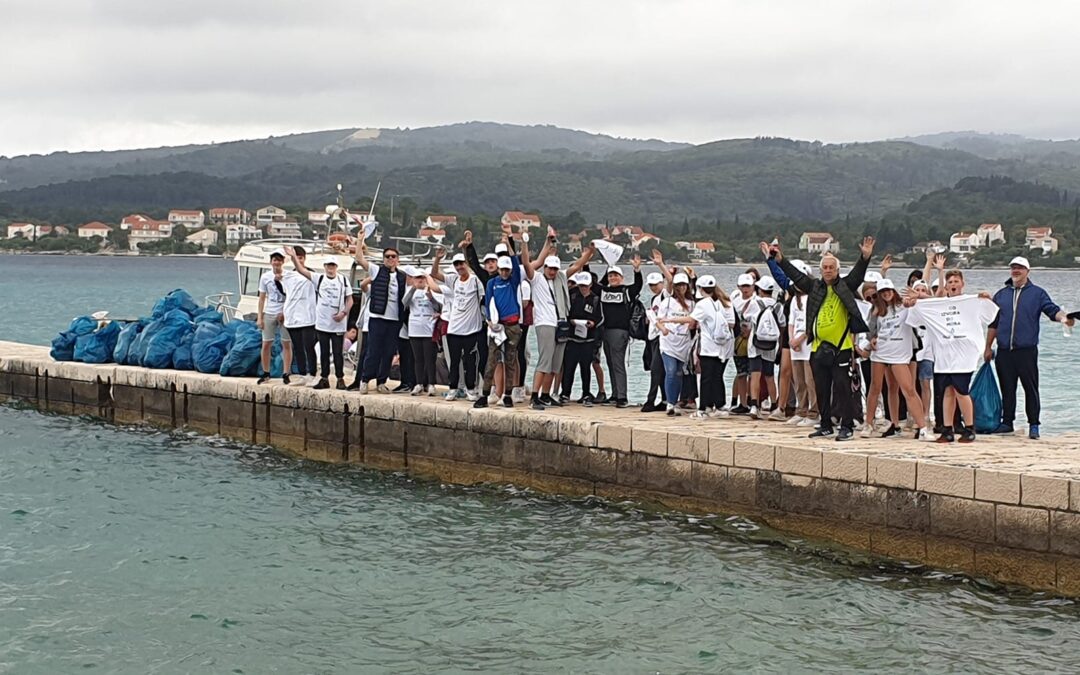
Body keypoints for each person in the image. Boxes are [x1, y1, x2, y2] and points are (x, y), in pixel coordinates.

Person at [774, 236, 876, 442]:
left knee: (842, 388)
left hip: (842, 347)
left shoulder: (845, 286)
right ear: (821, 271)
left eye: (832, 267)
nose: (828, 270)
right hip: (818, 347)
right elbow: (796, 276)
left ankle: (846, 425)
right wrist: (780, 260)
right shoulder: (816, 287)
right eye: (825, 267)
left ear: (837, 270)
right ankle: (826, 424)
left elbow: (857, 275)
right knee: (821, 388)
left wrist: (865, 257)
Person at [984, 256, 1074, 439]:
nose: (1016, 271)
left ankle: (1034, 424)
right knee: (1007, 388)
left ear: (1027, 271)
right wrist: (987, 347)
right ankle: (1007, 422)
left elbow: (1052, 310)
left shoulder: (1037, 293)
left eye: (1020, 268)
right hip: (1004, 351)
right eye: (1013, 268)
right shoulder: (1001, 295)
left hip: (1026, 351)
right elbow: (993, 324)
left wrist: (1064, 318)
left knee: (1030, 388)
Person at [904, 272, 998, 443]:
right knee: (947, 391)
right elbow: (917, 314)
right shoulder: (938, 304)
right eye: (950, 282)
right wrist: (913, 301)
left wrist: (986, 298)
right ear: (946, 286)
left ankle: (969, 428)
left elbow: (991, 314)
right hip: (943, 356)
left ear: (963, 284)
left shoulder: (971, 301)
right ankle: (948, 429)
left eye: (956, 281)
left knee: (961, 391)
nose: (953, 284)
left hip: (964, 355)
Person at [523, 230, 588, 411]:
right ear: (544, 267)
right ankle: (534, 396)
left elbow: (576, 267)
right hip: (545, 323)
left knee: (555, 363)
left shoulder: (560, 278)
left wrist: (589, 254)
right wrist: (524, 243)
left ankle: (546, 394)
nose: (552, 271)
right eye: (549, 268)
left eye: (554, 268)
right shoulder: (536, 279)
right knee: (545, 360)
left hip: (560, 322)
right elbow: (527, 264)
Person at [863, 279, 933, 440]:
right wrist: (872, 337)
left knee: (908, 389)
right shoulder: (877, 310)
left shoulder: (905, 306)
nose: (886, 293)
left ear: (893, 291)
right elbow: (870, 331)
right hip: (880, 352)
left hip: (900, 355)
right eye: (882, 292)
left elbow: (930, 306)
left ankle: (922, 427)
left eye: (888, 290)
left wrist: (918, 298)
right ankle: (872, 423)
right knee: (877, 388)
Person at [662, 275, 734, 419]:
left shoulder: (704, 304)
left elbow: (691, 319)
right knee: (717, 377)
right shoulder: (722, 302)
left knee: (706, 378)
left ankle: (703, 409)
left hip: (709, 346)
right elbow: (730, 323)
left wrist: (670, 319)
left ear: (700, 289)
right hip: (723, 347)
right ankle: (720, 406)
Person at [286, 251, 354, 390]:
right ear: (325, 266)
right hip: (322, 323)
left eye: (333, 265)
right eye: (329, 265)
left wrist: (344, 313)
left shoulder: (343, 280)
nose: (331, 268)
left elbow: (350, 299)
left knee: (337, 353)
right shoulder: (319, 278)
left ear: (336, 267)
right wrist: (293, 257)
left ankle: (340, 379)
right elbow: (301, 270)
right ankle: (324, 378)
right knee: (323, 352)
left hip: (338, 324)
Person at [430, 248, 485, 401]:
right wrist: (437, 259)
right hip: (454, 329)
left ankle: (470, 389)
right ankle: (453, 388)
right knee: (454, 362)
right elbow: (435, 275)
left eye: (461, 264)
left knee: (470, 361)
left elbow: (483, 299)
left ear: (466, 264)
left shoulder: (475, 281)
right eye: (456, 265)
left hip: (471, 330)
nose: (459, 267)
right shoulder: (453, 280)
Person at [353, 244, 406, 394]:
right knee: (373, 351)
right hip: (377, 317)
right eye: (387, 256)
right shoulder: (376, 271)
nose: (390, 259)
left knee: (388, 352)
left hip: (394, 319)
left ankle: (382, 381)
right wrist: (360, 240)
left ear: (398, 260)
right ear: (383, 259)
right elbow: (359, 258)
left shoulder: (402, 276)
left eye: (393, 256)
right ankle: (365, 379)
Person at [474, 253, 524, 409]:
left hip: (512, 325)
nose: (504, 273)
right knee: (491, 360)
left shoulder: (513, 281)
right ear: (498, 269)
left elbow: (517, 266)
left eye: (507, 270)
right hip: (496, 326)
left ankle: (507, 395)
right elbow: (489, 302)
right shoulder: (492, 283)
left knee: (510, 361)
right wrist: (489, 319)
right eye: (502, 270)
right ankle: (485, 394)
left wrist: (512, 247)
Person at [596, 257, 643, 408]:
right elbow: (595, 286)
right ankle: (615, 394)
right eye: (610, 275)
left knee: (618, 364)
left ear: (622, 277)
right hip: (606, 331)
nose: (613, 278)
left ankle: (622, 397)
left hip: (620, 332)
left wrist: (636, 270)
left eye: (616, 275)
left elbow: (638, 286)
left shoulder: (626, 291)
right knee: (610, 363)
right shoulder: (605, 291)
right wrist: (607, 267)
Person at [654, 272, 696, 416]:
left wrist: (692, 326)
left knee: (679, 373)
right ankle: (670, 403)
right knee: (670, 371)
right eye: (678, 285)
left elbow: (693, 321)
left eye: (684, 285)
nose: (681, 288)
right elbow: (658, 320)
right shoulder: (667, 302)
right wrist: (664, 329)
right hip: (668, 342)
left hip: (684, 342)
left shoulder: (692, 304)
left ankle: (676, 401)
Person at [560, 271, 604, 404]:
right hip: (573, 338)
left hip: (588, 339)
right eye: (580, 286)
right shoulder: (573, 296)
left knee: (586, 367)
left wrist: (593, 323)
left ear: (590, 285)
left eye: (585, 285)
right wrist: (571, 321)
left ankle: (586, 393)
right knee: (569, 367)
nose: (583, 288)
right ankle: (565, 393)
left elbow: (600, 317)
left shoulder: (596, 299)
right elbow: (566, 312)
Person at [279, 245, 318, 385]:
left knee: (309, 346)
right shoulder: (288, 276)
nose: (298, 261)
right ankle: (302, 374)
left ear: (304, 258)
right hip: (293, 318)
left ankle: (312, 373)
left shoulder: (311, 274)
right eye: (297, 258)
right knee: (297, 347)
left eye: (301, 258)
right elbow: (284, 293)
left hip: (309, 318)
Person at [747, 276, 784, 419]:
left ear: (760, 290)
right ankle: (775, 405)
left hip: (755, 344)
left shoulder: (754, 303)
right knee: (769, 376)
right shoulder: (778, 305)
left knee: (755, 375)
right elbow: (782, 326)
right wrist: (780, 345)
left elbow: (746, 317)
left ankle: (754, 405)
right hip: (771, 345)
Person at [403, 269, 444, 395]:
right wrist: (413, 289)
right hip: (414, 328)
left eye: (422, 277)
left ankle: (431, 383)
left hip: (429, 328)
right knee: (418, 358)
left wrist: (431, 298)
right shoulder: (410, 290)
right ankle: (419, 383)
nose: (420, 280)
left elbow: (439, 307)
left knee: (430, 358)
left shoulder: (433, 290)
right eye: (417, 278)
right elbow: (405, 303)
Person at [786, 261, 817, 427]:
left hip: (808, 344)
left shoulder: (813, 298)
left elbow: (811, 324)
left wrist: (800, 339)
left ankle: (814, 412)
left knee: (810, 379)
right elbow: (791, 322)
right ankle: (801, 409)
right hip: (795, 346)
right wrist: (792, 339)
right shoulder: (794, 301)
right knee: (798, 380)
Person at [256, 249, 292, 385]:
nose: (276, 262)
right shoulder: (265, 277)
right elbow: (262, 298)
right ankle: (266, 372)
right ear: (271, 262)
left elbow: (291, 296)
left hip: (284, 313)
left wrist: (284, 312)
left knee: (286, 344)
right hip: (270, 312)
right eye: (274, 260)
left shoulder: (288, 276)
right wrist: (260, 317)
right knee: (266, 344)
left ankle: (286, 373)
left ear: (283, 262)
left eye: (279, 260)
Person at [729, 273, 758, 414]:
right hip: (738, 341)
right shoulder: (734, 301)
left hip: (753, 342)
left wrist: (751, 329)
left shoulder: (757, 301)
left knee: (754, 373)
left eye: (748, 286)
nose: (746, 289)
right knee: (741, 373)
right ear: (738, 287)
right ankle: (743, 403)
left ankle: (754, 401)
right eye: (743, 286)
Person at [641, 270, 669, 412]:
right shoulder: (654, 299)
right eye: (651, 285)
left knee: (656, 369)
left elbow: (671, 287)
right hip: (653, 336)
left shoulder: (665, 295)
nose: (653, 287)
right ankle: (664, 399)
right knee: (658, 370)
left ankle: (650, 399)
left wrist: (661, 266)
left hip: (662, 336)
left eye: (655, 284)